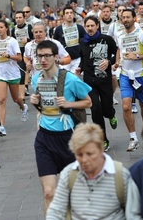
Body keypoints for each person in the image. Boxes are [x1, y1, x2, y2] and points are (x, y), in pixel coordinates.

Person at [30, 40, 92, 216]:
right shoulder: (36, 79)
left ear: (56, 57)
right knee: (49, 192)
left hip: (68, 139)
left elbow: (89, 102)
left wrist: (69, 103)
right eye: (40, 56)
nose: (43, 60)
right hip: (44, 139)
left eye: (47, 55)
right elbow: (43, 106)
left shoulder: (70, 79)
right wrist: (36, 103)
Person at [46, 123, 130, 219]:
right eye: (79, 155)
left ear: (101, 149)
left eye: (90, 154)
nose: (84, 160)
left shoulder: (120, 176)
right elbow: (56, 211)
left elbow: (133, 212)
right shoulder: (68, 174)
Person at [76, 16, 118, 152]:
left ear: (97, 26)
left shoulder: (106, 40)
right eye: (87, 26)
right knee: (95, 110)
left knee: (106, 109)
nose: (89, 28)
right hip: (89, 81)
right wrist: (80, 68)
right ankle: (103, 139)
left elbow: (116, 52)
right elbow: (84, 58)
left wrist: (109, 61)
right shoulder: (82, 42)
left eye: (92, 26)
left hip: (104, 80)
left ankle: (111, 115)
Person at [115, 9, 143, 151]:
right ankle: (133, 138)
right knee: (126, 106)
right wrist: (116, 62)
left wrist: (137, 56)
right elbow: (119, 50)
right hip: (126, 75)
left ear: (134, 18)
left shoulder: (141, 35)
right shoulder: (119, 35)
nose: (125, 19)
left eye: (127, 17)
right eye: (123, 17)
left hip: (142, 75)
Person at [0, 20, 29, 136]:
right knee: (1, 100)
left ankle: (23, 107)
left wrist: (8, 56)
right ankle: (1, 126)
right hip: (0, 74)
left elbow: (19, 58)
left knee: (15, 98)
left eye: (1, 27)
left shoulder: (12, 41)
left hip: (12, 73)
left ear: (6, 28)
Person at [53, 5, 85, 73]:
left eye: (71, 13)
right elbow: (54, 44)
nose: (69, 15)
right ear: (63, 16)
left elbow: (84, 41)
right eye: (67, 13)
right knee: (63, 80)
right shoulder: (58, 29)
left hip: (77, 59)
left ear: (73, 15)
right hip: (64, 59)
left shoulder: (80, 28)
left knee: (75, 80)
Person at [11, 11, 34, 101]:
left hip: (30, 53)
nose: (18, 19)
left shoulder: (29, 27)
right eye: (16, 18)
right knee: (22, 73)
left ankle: (28, 88)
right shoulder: (13, 30)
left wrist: (28, 40)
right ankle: (22, 97)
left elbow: (36, 38)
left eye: (20, 17)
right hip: (20, 54)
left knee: (30, 72)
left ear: (24, 18)